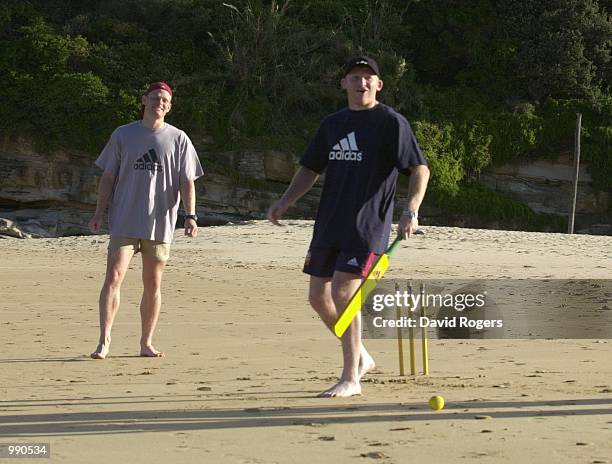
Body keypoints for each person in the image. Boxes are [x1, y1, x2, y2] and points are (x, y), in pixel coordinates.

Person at [267, 57, 430, 397]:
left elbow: (419, 168)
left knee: (344, 291)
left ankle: (350, 377)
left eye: (369, 78)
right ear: (343, 84)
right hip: (329, 222)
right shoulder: (332, 124)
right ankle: (363, 357)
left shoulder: (391, 123)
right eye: (355, 77)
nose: (362, 83)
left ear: (379, 85)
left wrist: (411, 210)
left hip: (368, 224)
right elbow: (310, 169)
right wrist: (286, 201)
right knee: (317, 297)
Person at [88, 81, 204, 359]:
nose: (159, 103)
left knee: (153, 283)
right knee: (114, 276)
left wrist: (190, 216)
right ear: (144, 100)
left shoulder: (178, 139)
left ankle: (146, 342)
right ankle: (104, 341)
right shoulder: (123, 134)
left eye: (165, 100)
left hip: (160, 223)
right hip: (124, 219)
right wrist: (98, 213)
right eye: (155, 98)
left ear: (170, 106)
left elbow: (187, 182)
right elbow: (107, 178)